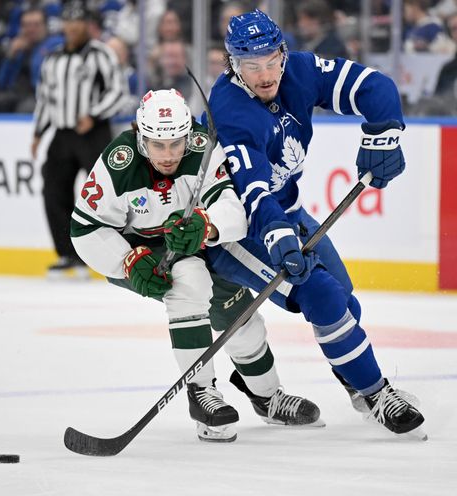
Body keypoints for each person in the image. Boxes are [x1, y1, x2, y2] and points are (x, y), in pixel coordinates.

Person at [204, 9, 426, 438]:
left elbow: (374, 86)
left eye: (272, 61)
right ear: (233, 65)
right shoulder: (230, 109)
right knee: (320, 292)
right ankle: (378, 394)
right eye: (252, 66)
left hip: (283, 211)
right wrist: (277, 235)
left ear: (283, 54)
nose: (266, 75)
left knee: (343, 300)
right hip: (233, 227)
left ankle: (357, 386)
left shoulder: (298, 71)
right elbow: (252, 191)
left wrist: (383, 134)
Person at [70, 88, 322, 442]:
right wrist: (126, 261)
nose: (169, 154)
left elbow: (232, 206)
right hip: (138, 252)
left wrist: (207, 224)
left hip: (194, 240)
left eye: (177, 143)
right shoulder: (119, 163)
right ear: (141, 138)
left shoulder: (203, 148)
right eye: (158, 145)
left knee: (241, 317)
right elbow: (84, 228)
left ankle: (268, 397)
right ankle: (201, 393)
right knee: (189, 280)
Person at [32, 0, 127, 278]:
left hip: (92, 133)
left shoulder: (101, 54)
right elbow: (45, 100)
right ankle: (68, 254)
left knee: (107, 192)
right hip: (62, 133)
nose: (72, 26)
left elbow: (118, 92)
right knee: (53, 190)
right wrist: (38, 132)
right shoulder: (53, 59)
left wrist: (94, 115)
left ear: (87, 24)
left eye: (78, 21)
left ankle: (122, 249)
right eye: (68, 20)